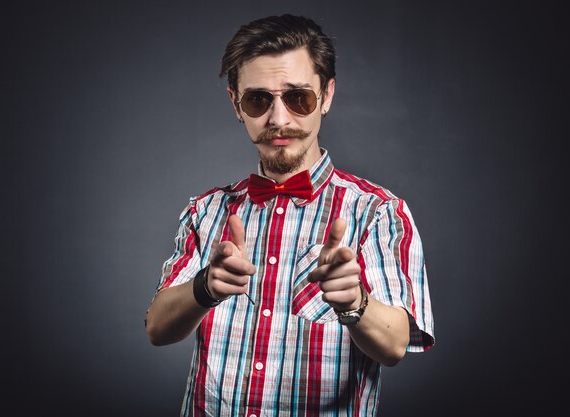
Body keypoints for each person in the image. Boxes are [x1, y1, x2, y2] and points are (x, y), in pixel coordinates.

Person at [146, 14, 435, 416]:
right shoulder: (207, 210)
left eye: (298, 98)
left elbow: (394, 346)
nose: (279, 119)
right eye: (258, 99)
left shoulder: (378, 212)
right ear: (236, 103)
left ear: (327, 96)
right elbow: (158, 329)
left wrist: (355, 303)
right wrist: (205, 287)